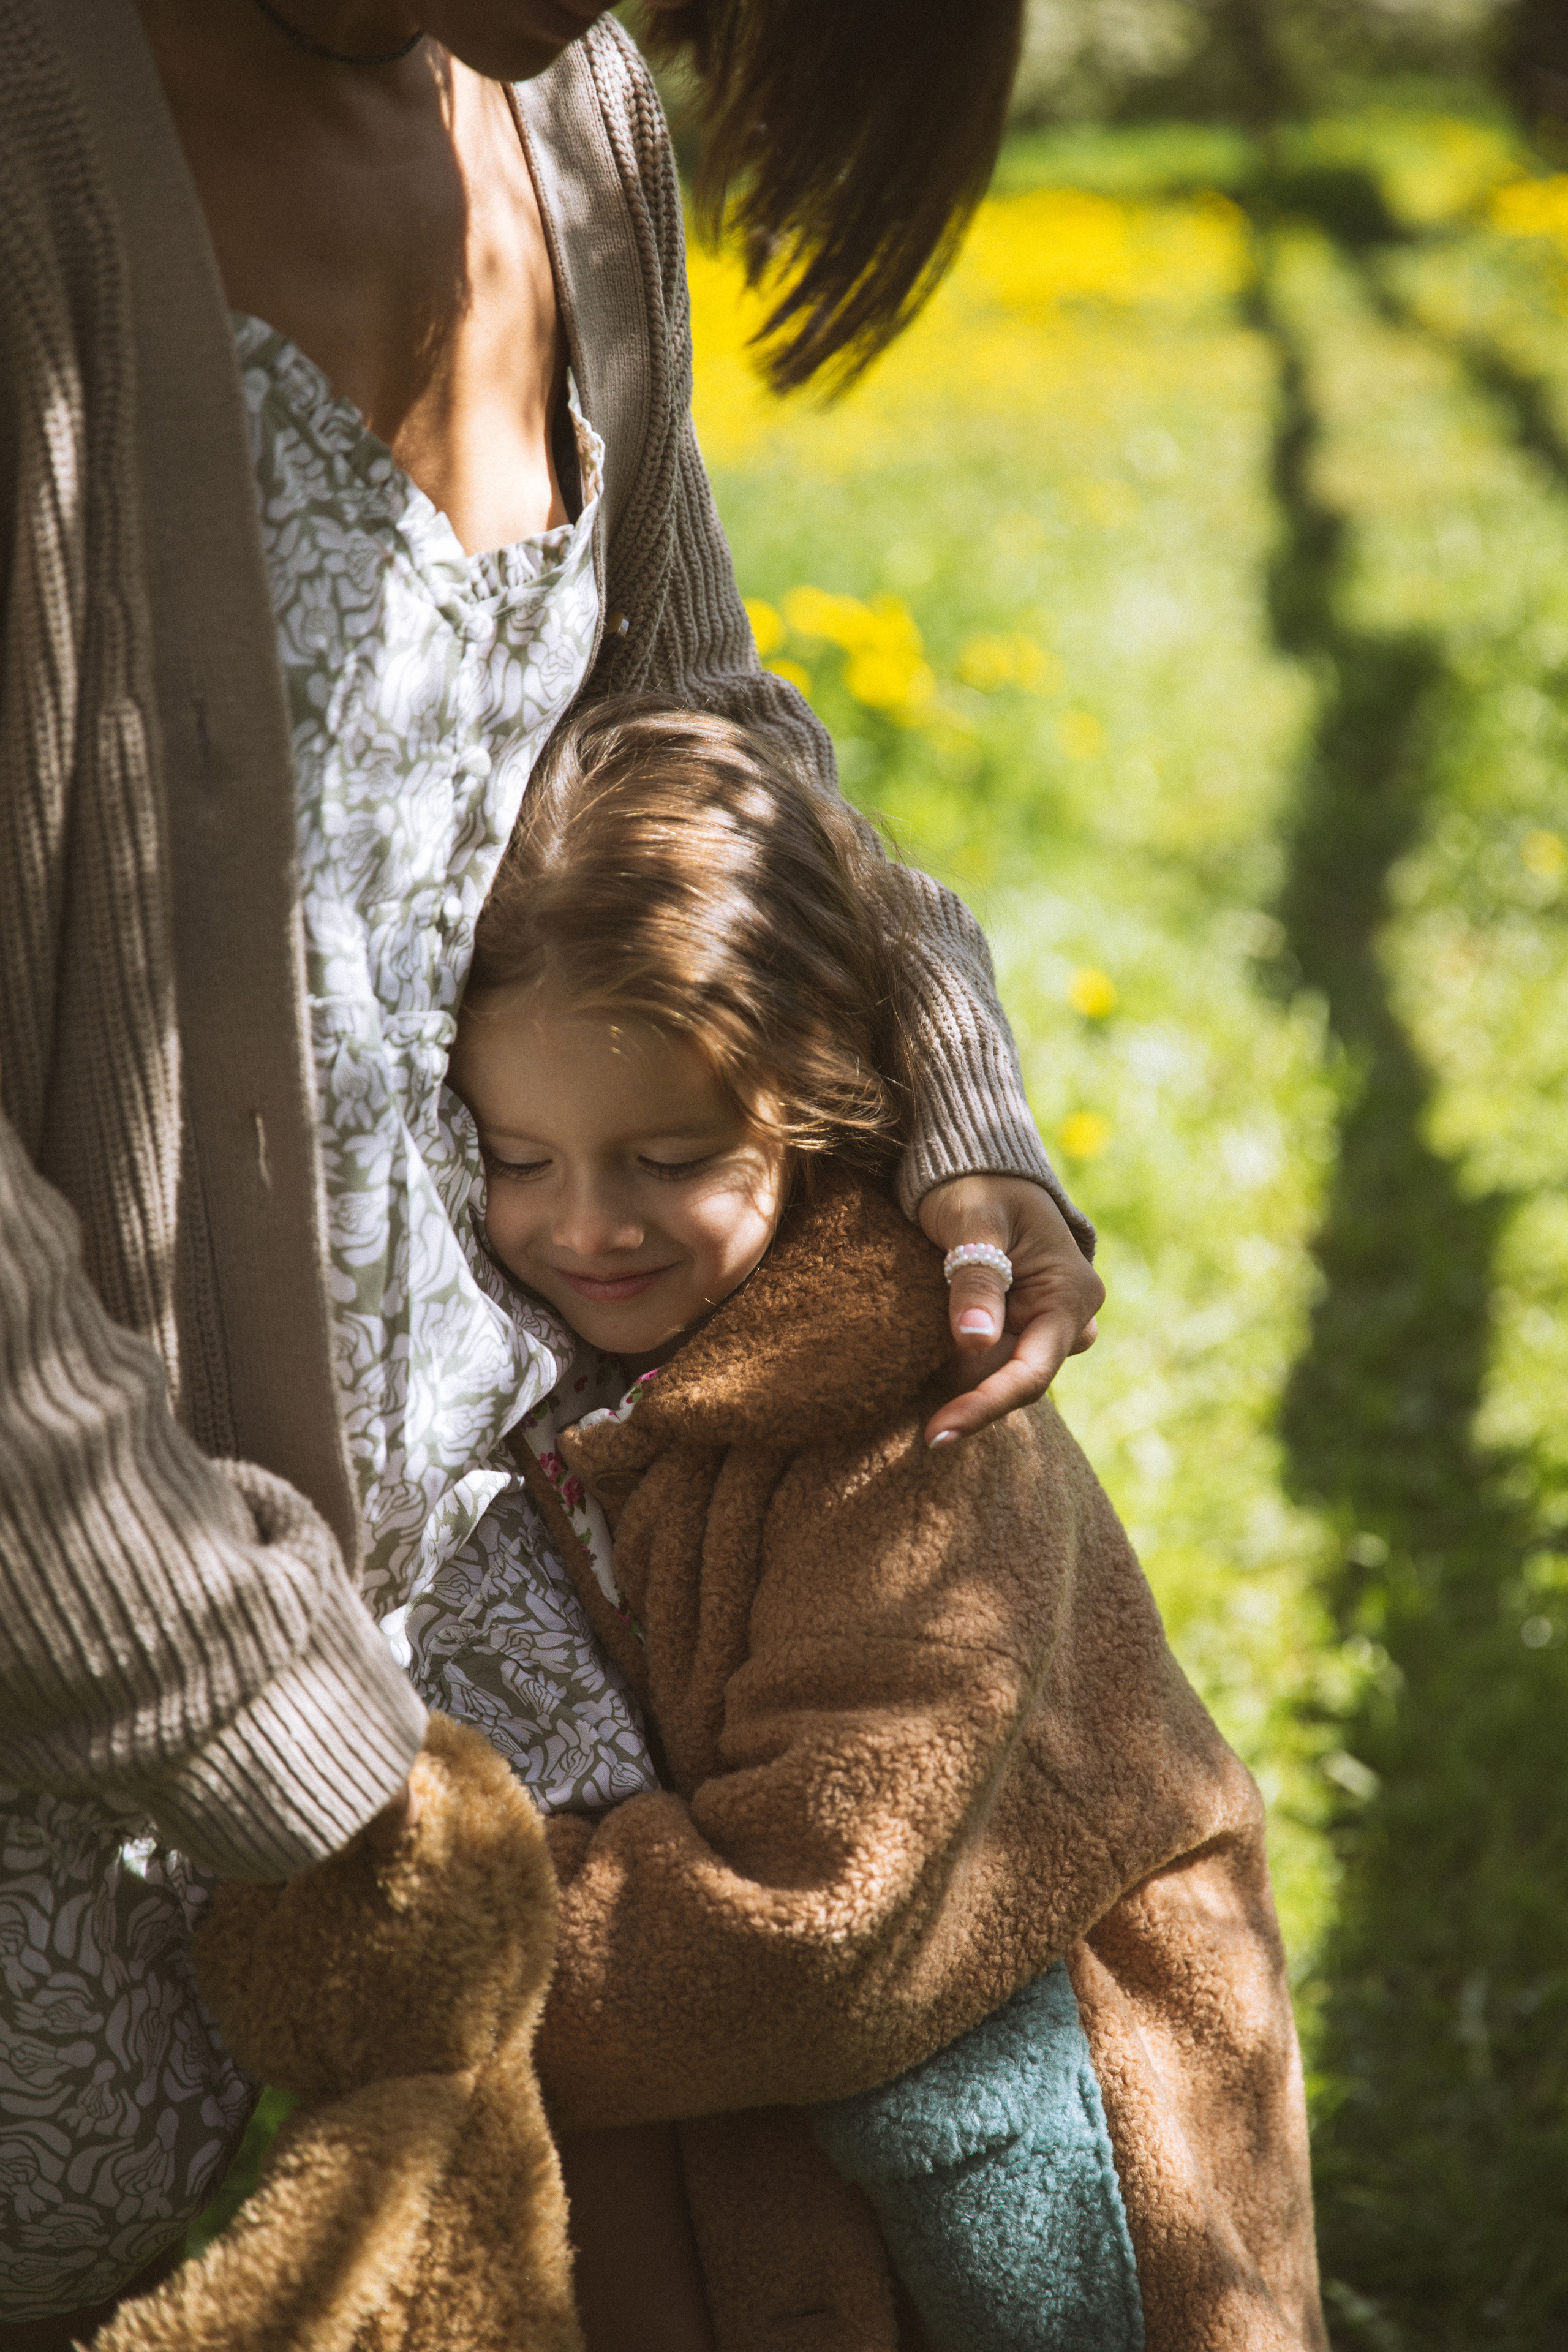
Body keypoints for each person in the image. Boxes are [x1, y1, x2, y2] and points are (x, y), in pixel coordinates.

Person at [0, 0, 1105, 2332]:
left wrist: (935, 1060)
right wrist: (253, 1719)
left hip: (506, 1506)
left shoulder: (564, 112)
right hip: (100, 1605)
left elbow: (683, 711)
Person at [435, 695, 1326, 2352]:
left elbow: (817, 1925)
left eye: (670, 1158)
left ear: (821, 1102)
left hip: (1043, 2177)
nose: (586, 1225)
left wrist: (419, 1938)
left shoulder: (916, 1429)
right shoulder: (561, 1367)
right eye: (518, 1158)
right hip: (727, 2168)